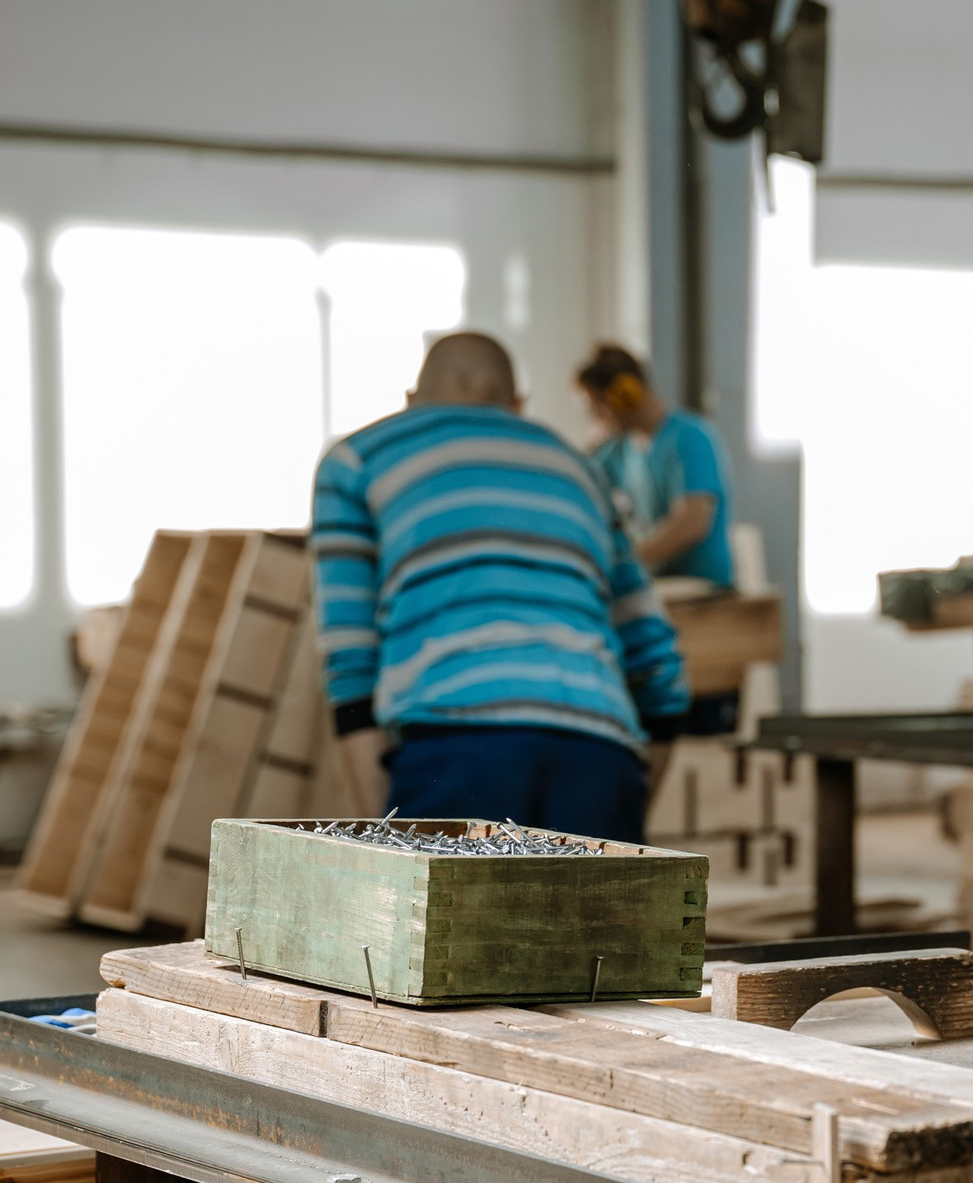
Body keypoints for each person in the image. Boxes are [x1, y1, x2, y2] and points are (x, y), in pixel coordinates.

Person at [311, 331, 690, 843]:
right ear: (517, 406)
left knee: (446, 925)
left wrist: (384, 848)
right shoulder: (579, 469)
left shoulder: (356, 460)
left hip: (455, 750)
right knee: (589, 926)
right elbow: (659, 663)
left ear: (410, 402)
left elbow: (351, 664)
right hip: (599, 754)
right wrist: (627, 804)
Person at [577, 344, 736, 587]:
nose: (596, 418)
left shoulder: (691, 438)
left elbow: (692, 522)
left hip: (701, 587)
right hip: (659, 583)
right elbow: (578, 477)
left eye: (598, 407)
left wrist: (626, 562)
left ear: (625, 394)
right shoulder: (619, 450)